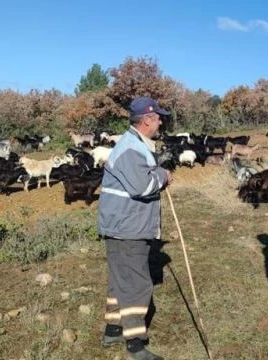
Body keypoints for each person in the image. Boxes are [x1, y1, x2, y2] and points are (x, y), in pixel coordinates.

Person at [98, 96, 173, 360]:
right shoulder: (130, 148)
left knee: (121, 279)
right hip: (127, 227)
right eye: (159, 117)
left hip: (123, 225)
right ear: (147, 120)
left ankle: (113, 329)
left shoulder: (136, 145)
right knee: (138, 284)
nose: (161, 121)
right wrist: (163, 176)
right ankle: (135, 344)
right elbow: (141, 187)